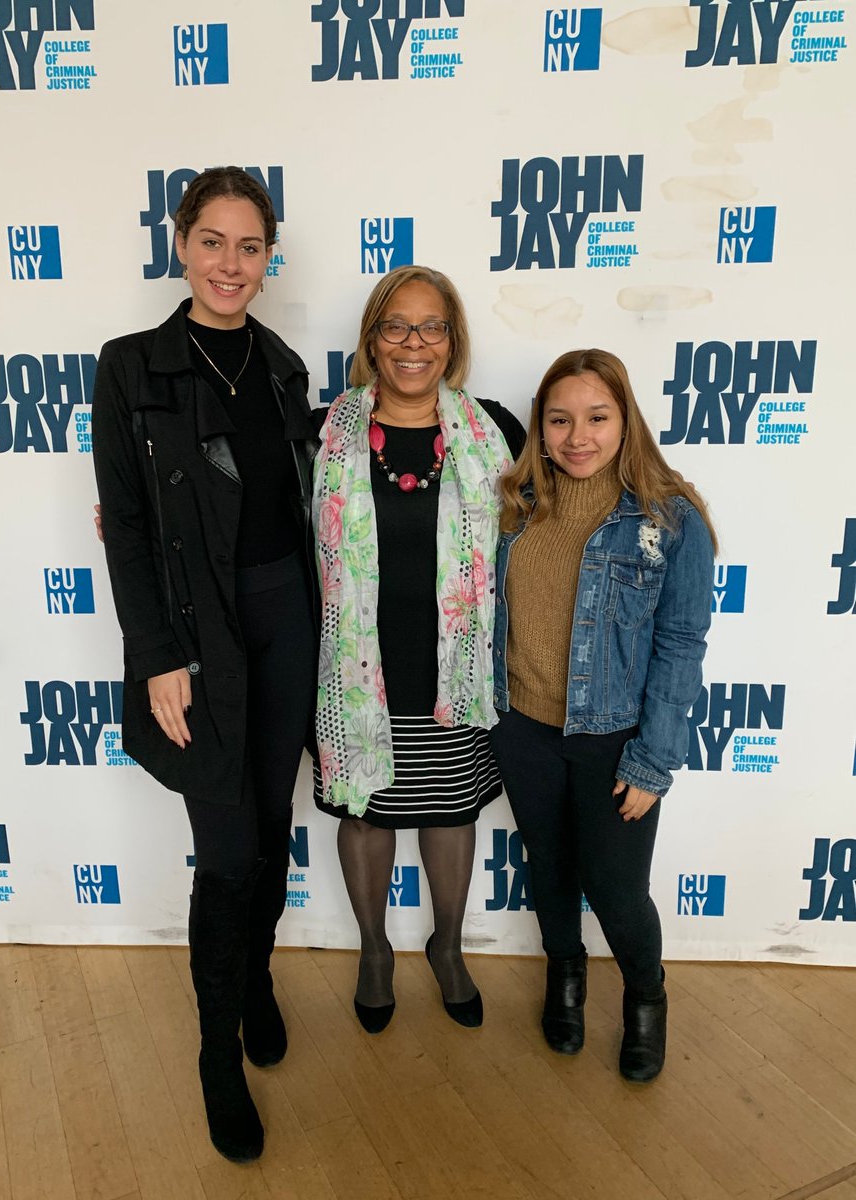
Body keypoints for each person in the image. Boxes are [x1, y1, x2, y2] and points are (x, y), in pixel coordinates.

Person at [92, 167, 318, 1163]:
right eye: (213, 241)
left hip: (290, 624)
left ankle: (257, 975)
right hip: (199, 634)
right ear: (180, 244)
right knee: (225, 855)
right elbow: (128, 527)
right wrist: (159, 655)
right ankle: (214, 1050)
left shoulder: (283, 370)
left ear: (270, 259)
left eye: (250, 246)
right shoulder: (131, 366)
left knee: (270, 828)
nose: (232, 263)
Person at [490, 348, 716, 1082]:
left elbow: (681, 645)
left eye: (596, 417)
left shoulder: (670, 520)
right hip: (523, 730)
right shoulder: (516, 507)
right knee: (550, 872)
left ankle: (647, 998)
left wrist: (653, 760)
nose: (576, 436)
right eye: (559, 419)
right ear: (540, 426)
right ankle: (566, 974)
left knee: (618, 892)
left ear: (626, 421)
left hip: (615, 741)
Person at [312, 265, 525, 1033]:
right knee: (367, 816)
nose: (413, 343)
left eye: (431, 327)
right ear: (372, 338)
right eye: (396, 326)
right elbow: (245, 518)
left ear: (453, 340)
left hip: (456, 670)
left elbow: (559, 514)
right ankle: (374, 950)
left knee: (450, 809)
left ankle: (448, 945)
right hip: (356, 670)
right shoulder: (323, 432)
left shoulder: (493, 429)